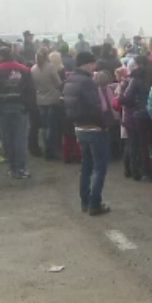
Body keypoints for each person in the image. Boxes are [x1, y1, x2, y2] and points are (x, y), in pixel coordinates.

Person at [63, 52, 110, 216]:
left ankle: (85, 201)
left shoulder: (70, 79)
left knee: (86, 166)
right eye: (92, 64)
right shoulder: (87, 82)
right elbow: (95, 107)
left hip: (79, 127)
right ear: (87, 64)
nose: (94, 67)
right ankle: (95, 204)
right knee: (99, 168)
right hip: (94, 128)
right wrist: (104, 125)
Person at [0, 47, 36, 179]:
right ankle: (21, 168)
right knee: (20, 139)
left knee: (7, 139)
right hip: (20, 107)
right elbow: (30, 90)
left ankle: (12, 168)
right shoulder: (24, 70)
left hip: (3, 108)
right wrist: (29, 107)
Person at [32, 47, 63, 160]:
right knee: (51, 126)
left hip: (40, 99)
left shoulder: (33, 69)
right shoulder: (51, 67)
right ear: (46, 56)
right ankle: (50, 150)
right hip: (52, 99)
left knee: (44, 126)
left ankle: (46, 147)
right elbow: (58, 83)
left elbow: (34, 85)